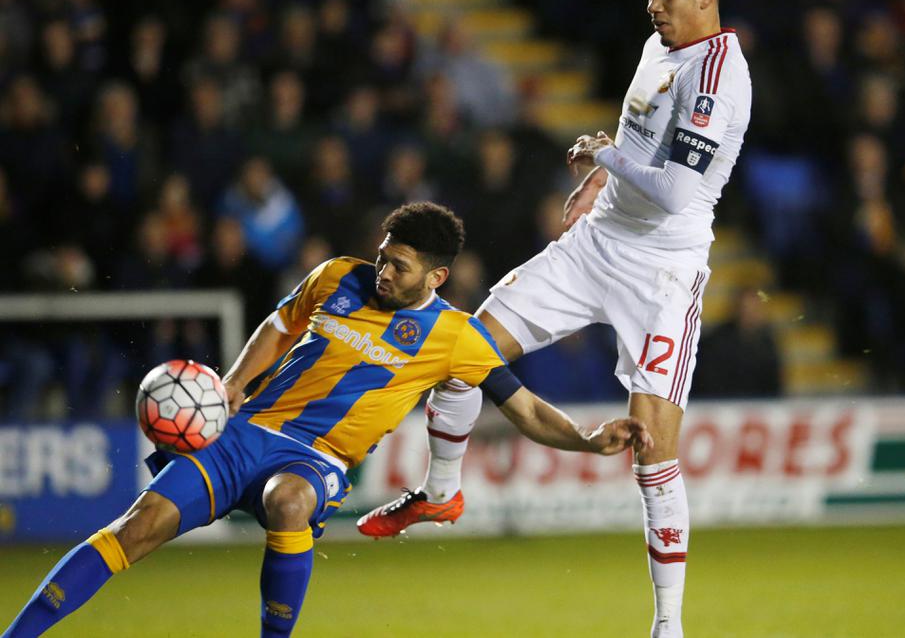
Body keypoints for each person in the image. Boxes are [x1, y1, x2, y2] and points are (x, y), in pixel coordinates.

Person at [2, 202, 651, 638]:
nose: (383, 269)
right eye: (383, 254)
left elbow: (526, 408)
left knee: (290, 504)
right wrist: (232, 386)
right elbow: (278, 326)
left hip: (317, 460)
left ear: (437, 275)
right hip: (243, 434)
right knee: (135, 528)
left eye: (399, 265)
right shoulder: (335, 276)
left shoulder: (457, 337)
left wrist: (589, 442)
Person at [359, 0, 750, 638]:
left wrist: (604, 156)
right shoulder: (657, 47)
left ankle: (669, 624)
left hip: (662, 271)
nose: (652, 4)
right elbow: (641, 143)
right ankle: (442, 493)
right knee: (464, 348)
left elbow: (673, 191)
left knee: (652, 449)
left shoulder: (717, 74)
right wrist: (604, 173)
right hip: (595, 244)